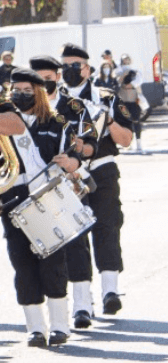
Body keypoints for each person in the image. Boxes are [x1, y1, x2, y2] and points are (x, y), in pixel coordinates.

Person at [0, 63, 79, 347]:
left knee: (52, 264)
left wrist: (72, 163)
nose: (20, 95)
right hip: (13, 200)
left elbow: (73, 156)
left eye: (27, 91)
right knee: (22, 264)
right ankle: (35, 328)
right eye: (16, 90)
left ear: (39, 93)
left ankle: (59, 325)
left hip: (47, 200)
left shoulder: (56, 124)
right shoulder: (3, 123)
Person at [56, 43, 134, 322]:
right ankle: (81, 303)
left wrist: (107, 118)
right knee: (74, 237)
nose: (69, 70)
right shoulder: (55, 99)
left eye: (75, 65)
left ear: (87, 69)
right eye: (64, 65)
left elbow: (126, 139)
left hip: (102, 169)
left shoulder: (107, 96)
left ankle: (110, 292)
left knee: (107, 227)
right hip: (68, 174)